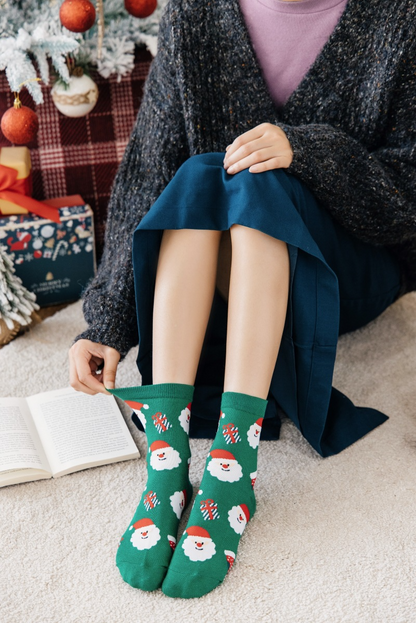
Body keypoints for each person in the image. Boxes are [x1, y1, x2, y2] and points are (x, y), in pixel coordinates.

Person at [68, 0, 416, 600]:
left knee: (256, 181)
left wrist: (304, 152)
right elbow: (151, 171)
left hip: (345, 269)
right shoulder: (196, 12)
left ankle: (234, 459)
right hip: (235, 271)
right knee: (202, 175)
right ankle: (168, 458)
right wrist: (106, 321)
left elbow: (408, 193)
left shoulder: (399, 16)